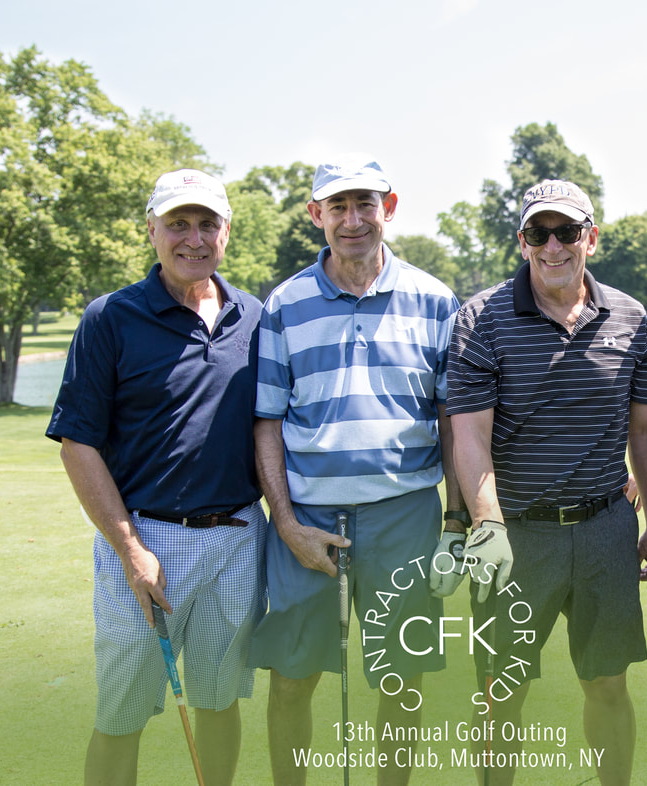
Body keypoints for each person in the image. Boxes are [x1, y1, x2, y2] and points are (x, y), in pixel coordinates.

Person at [444, 179, 647, 785]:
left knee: (608, 684)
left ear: (590, 238)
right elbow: (470, 436)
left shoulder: (630, 317)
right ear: (522, 242)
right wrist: (486, 525)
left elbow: (645, 429)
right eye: (538, 233)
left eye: (566, 231)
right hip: (517, 535)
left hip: (604, 530)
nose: (553, 246)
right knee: (500, 692)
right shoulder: (481, 318)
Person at [248, 156, 463, 785]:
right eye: (337, 207)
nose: (352, 220)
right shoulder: (284, 304)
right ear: (315, 215)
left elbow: (453, 420)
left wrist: (455, 520)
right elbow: (266, 421)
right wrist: (286, 523)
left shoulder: (435, 300)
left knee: (402, 681)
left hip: (406, 517)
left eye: (365, 204)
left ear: (387, 209)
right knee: (292, 677)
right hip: (308, 518)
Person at [46, 169, 265, 785]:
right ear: (151, 231)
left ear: (226, 232)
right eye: (177, 223)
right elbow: (78, 444)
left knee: (219, 700)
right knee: (122, 710)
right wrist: (130, 549)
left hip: (238, 537)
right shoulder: (111, 317)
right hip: (146, 540)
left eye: (207, 224)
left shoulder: (255, 316)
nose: (193, 238)